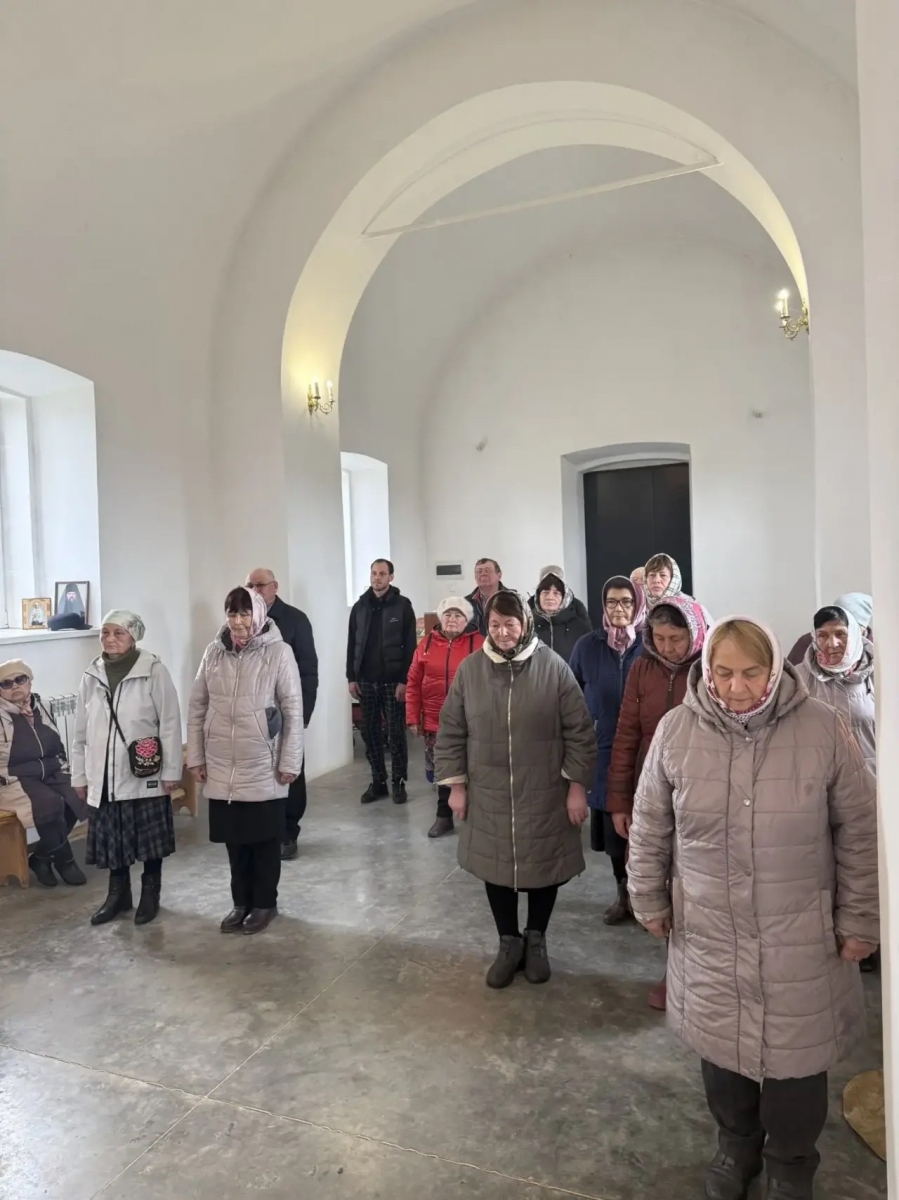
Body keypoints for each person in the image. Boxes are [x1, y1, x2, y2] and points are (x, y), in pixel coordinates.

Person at [628, 617, 878, 1200]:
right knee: (722, 1052)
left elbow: (860, 831)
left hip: (800, 933)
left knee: (796, 1061)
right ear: (706, 671)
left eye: (750, 673)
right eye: (723, 673)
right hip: (709, 929)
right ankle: (736, 1145)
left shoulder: (823, 728)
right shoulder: (676, 730)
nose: (736, 687)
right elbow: (649, 824)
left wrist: (861, 919)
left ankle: (791, 1164)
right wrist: (648, 897)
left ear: (774, 670)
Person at [434, 590, 596, 988]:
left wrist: (577, 787)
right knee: (496, 865)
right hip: (488, 790)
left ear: (525, 624)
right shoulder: (471, 670)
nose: (503, 632)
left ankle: (536, 938)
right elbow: (451, 731)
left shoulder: (553, 667)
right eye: (495, 624)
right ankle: (508, 941)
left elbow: (579, 732)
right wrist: (455, 786)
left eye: (510, 624)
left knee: (544, 864)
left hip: (545, 789)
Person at [606, 594, 707, 1007]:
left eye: (675, 639)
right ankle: (674, 969)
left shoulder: (708, 667)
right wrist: (619, 801)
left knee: (698, 882)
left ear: (693, 633)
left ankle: (701, 974)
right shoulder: (642, 667)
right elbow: (627, 732)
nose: (667, 648)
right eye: (660, 638)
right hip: (651, 785)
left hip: (699, 785)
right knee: (663, 880)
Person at [188, 586, 303, 934]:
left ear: (258, 613)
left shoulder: (279, 652)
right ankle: (241, 902)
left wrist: (290, 762)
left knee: (264, 841)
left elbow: (292, 710)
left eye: (244, 613)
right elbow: (197, 706)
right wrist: (196, 756)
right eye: (231, 613)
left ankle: (265, 903)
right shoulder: (213, 652)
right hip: (222, 761)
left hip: (262, 762)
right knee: (235, 841)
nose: (237, 621)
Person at [72, 610, 183, 926]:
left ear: (134, 636)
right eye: (104, 633)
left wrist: (172, 770)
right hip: (104, 773)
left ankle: (151, 892)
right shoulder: (91, 674)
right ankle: (118, 895)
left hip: (144, 770)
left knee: (149, 838)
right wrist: (80, 775)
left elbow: (170, 723)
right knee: (114, 838)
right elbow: (80, 730)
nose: (109, 639)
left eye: (118, 633)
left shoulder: (153, 670)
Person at [568, 576, 645, 923]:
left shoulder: (649, 644)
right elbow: (571, 695)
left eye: (626, 601)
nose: (619, 609)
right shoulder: (587, 646)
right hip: (603, 751)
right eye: (612, 602)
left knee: (647, 827)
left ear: (637, 604)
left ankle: (647, 896)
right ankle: (623, 893)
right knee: (616, 833)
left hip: (644, 753)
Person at [245, 567, 318, 862]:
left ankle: (289, 832)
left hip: (286, 710)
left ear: (274, 586)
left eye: (260, 585)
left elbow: (308, 671)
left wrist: (303, 715)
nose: (255, 590)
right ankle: (263, 831)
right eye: (250, 585)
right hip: (251, 714)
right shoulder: (241, 621)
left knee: (290, 772)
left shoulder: (295, 619)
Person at [0, 659, 88, 887]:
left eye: (20, 679)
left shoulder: (43, 705)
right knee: (49, 803)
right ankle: (65, 862)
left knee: (79, 793)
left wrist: (64, 765)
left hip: (51, 770)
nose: (15, 686)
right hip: (15, 778)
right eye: (6, 683)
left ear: (29, 682)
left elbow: (56, 741)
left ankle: (40, 858)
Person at [405, 596, 483, 838]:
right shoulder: (426, 644)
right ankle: (443, 817)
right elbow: (413, 682)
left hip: (471, 720)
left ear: (466, 620)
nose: (452, 619)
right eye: (448, 614)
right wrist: (412, 717)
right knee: (444, 770)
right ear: (440, 617)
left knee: (475, 769)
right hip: (435, 720)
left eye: (458, 615)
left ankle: (478, 819)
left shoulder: (480, 644)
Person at [346, 559, 417, 805]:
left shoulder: (402, 606)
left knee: (396, 734)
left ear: (391, 577)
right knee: (370, 733)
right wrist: (351, 677)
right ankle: (378, 781)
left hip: (392, 682)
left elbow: (411, 646)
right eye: (374, 573)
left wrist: (405, 680)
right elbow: (352, 644)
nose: (377, 577)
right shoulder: (360, 607)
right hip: (366, 681)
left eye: (382, 574)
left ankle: (399, 782)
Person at [787, 591, 873, 667]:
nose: (833, 644)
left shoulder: (875, 649)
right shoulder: (807, 642)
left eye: (841, 633)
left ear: (863, 628)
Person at [529, 566, 592, 664]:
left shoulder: (577, 613)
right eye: (545, 592)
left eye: (556, 593)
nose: (550, 597)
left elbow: (588, 650)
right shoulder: (527, 615)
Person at [466, 558, 510, 636]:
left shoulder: (513, 599)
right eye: (479, 571)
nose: (483, 574)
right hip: (477, 643)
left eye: (488, 570)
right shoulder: (466, 603)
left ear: (499, 575)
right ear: (475, 577)